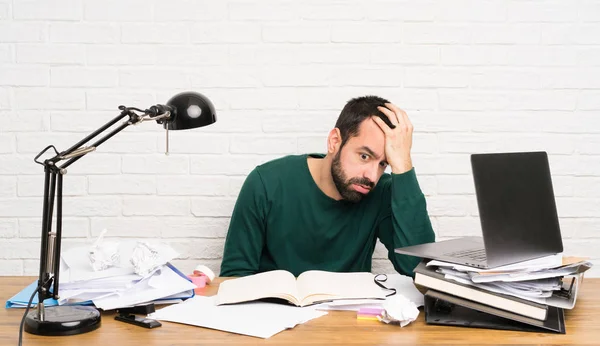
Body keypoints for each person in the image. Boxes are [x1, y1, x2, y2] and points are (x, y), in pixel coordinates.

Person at [219, 95, 435, 278]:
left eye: (383, 164)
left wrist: (403, 164)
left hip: (349, 322)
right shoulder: (265, 182)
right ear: (334, 141)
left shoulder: (384, 191)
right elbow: (235, 275)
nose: (371, 176)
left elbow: (417, 267)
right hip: (273, 319)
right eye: (364, 156)